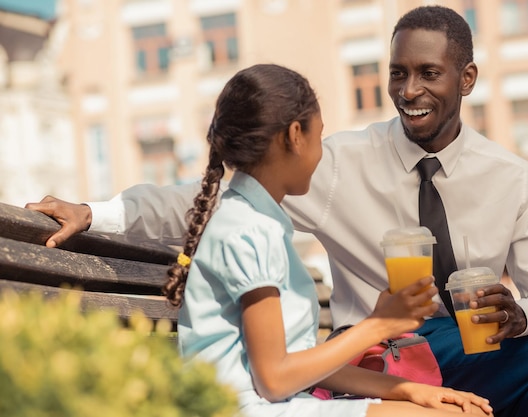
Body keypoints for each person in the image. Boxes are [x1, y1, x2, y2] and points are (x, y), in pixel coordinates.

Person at [27, 5, 528, 417]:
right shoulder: (334, 164)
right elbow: (204, 196)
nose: (408, 90)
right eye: (397, 73)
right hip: (382, 357)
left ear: (466, 78)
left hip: (480, 356)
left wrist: (520, 316)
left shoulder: (513, 178)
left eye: (428, 74)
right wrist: (98, 211)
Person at [157, 63, 493, 417]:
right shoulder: (248, 229)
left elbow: (295, 369)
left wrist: (411, 390)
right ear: (295, 135)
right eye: (320, 138)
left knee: (459, 411)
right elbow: (274, 379)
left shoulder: (256, 221)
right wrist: (378, 325)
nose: (322, 154)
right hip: (245, 408)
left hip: (273, 402)